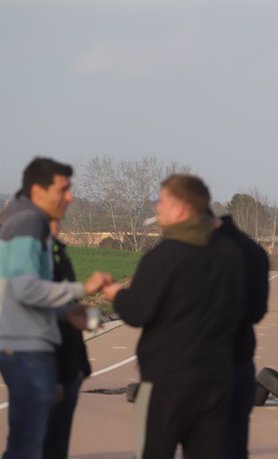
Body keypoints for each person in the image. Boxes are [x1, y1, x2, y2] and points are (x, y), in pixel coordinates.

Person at [103, 174, 246, 459]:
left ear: (181, 208)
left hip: (166, 382)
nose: (157, 208)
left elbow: (136, 312)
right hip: (216, 379)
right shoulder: (229, 254)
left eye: (162, 201)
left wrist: (115, 294)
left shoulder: (164, 256)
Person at [0, 157, 111, 459]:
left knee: (33, 444)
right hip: (27, 350)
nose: (70, 197)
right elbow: (25, 288)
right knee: (27, 447)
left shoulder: (26, 220)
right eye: (63, 189)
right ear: (38, 190)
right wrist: (82, 289)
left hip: (30, 347)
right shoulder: (29, 222)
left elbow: (17, 290)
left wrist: (66, 313)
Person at [216, 213, 269, 459]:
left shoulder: (194, 251)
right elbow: (258, 311)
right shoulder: (254, 252)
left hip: (195, 365)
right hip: (240, 358)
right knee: (235, 441)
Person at [43, 219, 93, 459]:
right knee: (35, 441)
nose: (57, 224)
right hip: (45, 359)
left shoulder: (59, 252)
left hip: (70, 359)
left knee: (57, 442)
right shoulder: (26, 260)